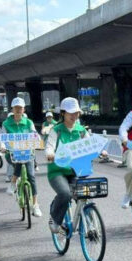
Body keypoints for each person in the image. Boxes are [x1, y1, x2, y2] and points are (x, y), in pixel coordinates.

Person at [45, 98, 90, 233]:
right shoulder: (56, 130)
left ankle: (89, 224)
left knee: (85, 194)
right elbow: (49, 146)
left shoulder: (81, 130)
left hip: (76, 170)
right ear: (63, 113)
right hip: (57, 171)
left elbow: (90, 144)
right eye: (71, 113)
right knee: (65, 193)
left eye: (76, 113)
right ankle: (55, 218)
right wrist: (50, 154)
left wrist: (101, 152)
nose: (74, 116)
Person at [3, 97, 42, 217]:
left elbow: (35, 134)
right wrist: (2, 146)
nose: (18, 110)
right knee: (19, 161)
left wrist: (39, 142)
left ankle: (35, 205)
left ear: (24, 109)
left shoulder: (29, 122)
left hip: (27, 153)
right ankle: (14, 182)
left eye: (20, 108)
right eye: (16, 108)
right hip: (12, 154)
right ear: (12, 109)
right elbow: (2, 137)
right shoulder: (6, 123)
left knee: (31, 176)